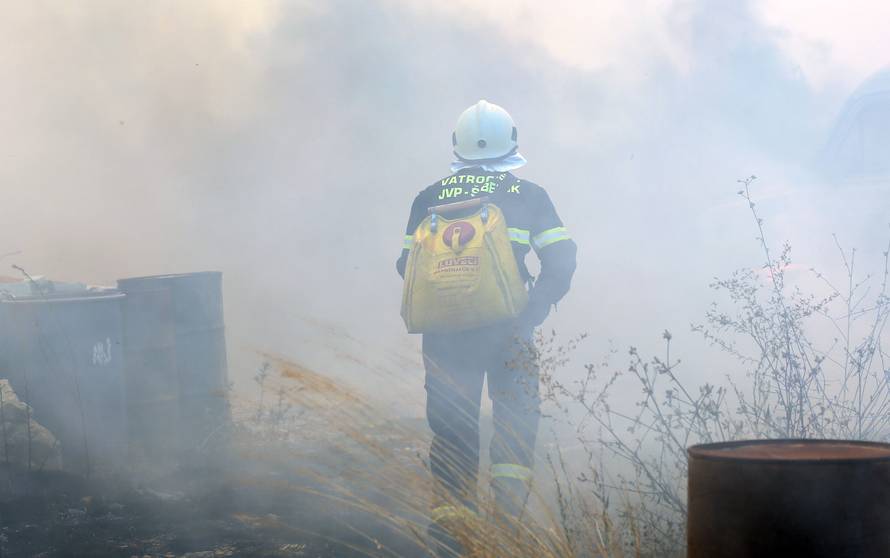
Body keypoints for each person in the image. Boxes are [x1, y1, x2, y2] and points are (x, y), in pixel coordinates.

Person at [396, 100, 577, 553]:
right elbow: (562, 258)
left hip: (444, 337)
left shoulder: (428, 199)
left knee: (453, 426)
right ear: (512, 142)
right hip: (509, 332)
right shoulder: (528, 196)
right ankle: (508, 522)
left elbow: (406, 266)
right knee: (515, 420)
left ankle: (453, 531)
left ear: (456, 145)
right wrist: (531, 311)